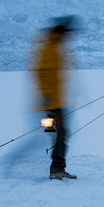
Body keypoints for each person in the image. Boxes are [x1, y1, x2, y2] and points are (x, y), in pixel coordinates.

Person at [32, 16, 78, 180]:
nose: (69, 37)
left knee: (60, 134)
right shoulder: (49, 49)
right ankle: (57, 170)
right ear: (61, 33)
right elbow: (41, 72)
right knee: (61, 134)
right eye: (67, 34)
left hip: (57, 101)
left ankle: (57, 168)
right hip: (52, 101)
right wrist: (47, 96)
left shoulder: (56, 48)